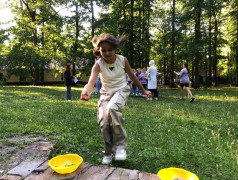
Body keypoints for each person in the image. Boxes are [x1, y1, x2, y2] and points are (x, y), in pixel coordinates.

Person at [81, 34, 151, 165]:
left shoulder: (122, 60)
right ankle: (108, 152)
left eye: (110, 50)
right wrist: (86, 91)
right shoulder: (98, 65)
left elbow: (133, 76)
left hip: (121, 90)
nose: (107, 53)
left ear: (115, 48)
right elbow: (91, 83)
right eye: (103, 50)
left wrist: (143, 90)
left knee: (112, 109)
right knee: (104, 122)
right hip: (106, 94)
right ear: (99, 51)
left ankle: (120, 146)